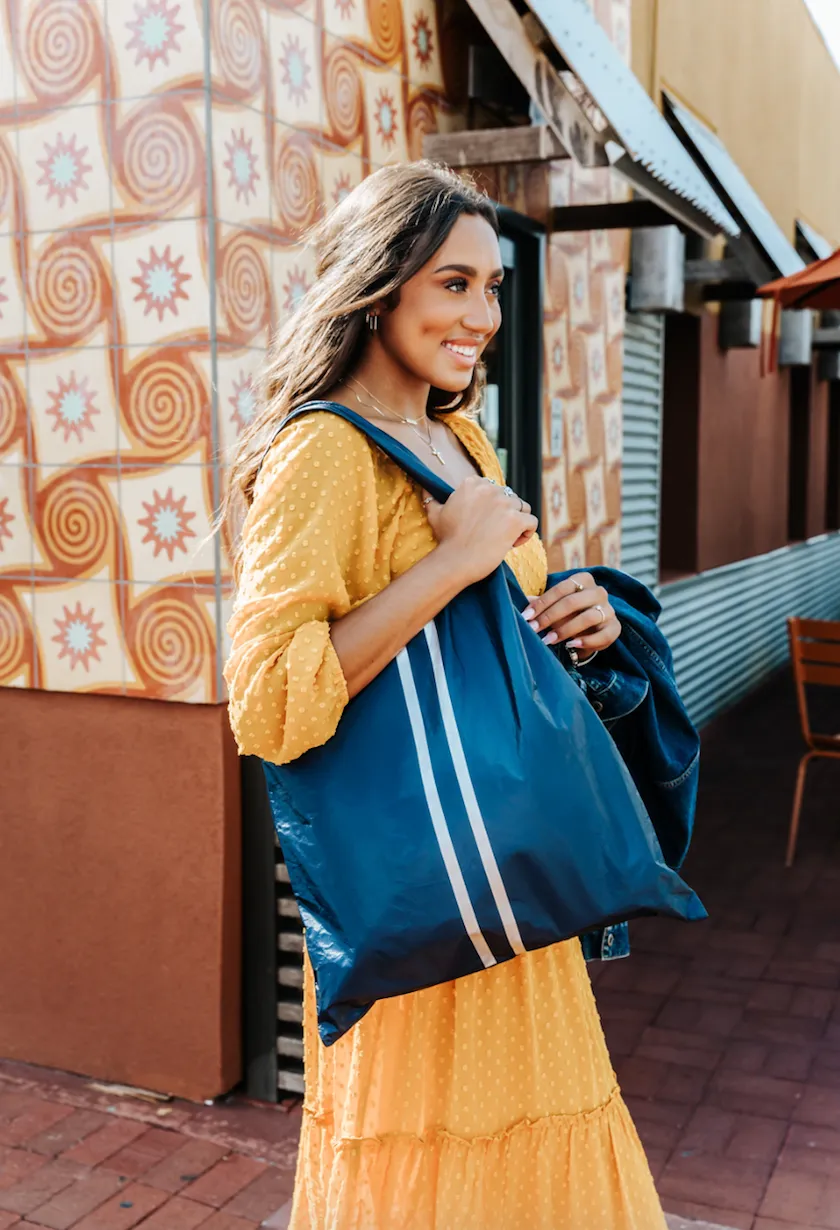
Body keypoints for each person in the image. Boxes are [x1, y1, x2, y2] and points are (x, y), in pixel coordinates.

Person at [223, 162, 667, 1230]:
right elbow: (269, 703)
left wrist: (578, 613)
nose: (484, 316)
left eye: (496, 288)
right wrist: (448, 565)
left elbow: (490, 629)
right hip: (423, 907)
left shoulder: (458, 436)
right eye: (454, 285)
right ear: (380, 291)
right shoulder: (323, 452)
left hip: (510, 891)